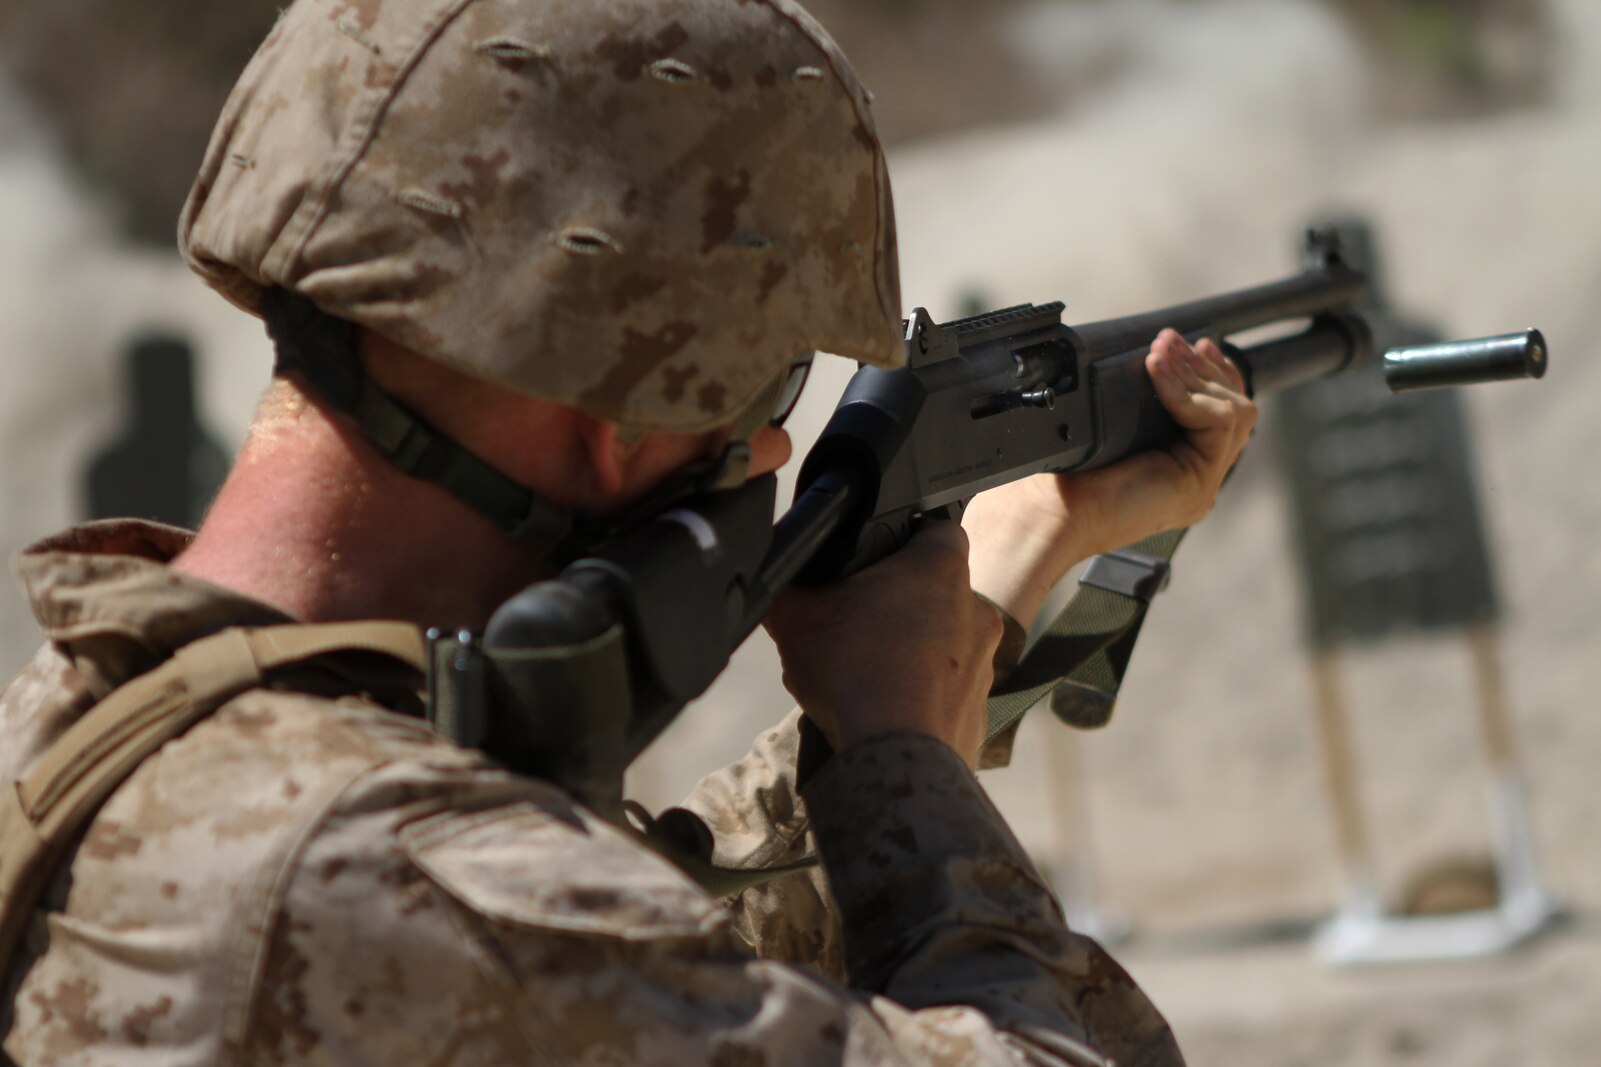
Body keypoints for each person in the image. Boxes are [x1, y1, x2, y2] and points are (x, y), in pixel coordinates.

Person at [0, 1, 1254, 1064]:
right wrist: (896, 757)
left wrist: (976, 614)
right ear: (615, 412)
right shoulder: (398, 883)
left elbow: (643, 941)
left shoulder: (95, 714)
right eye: (766, 399)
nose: (769, 452)